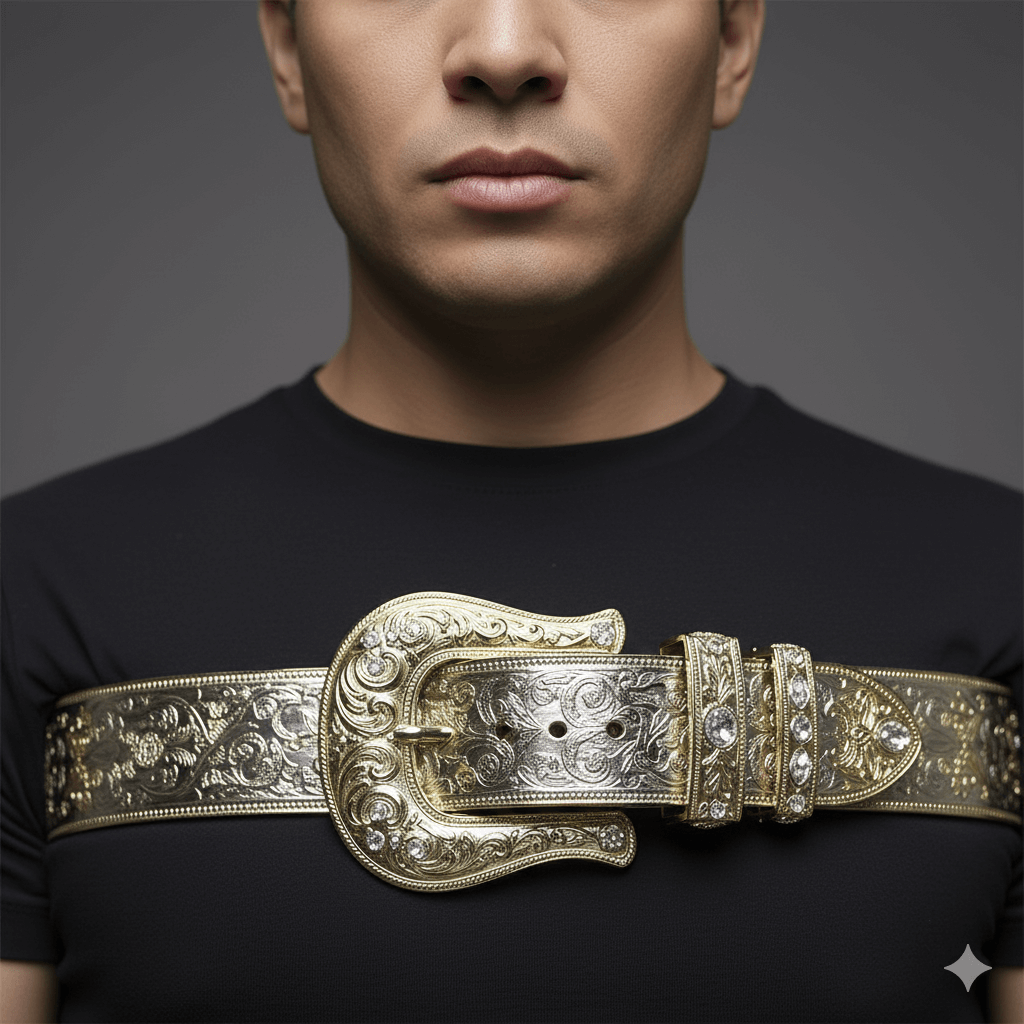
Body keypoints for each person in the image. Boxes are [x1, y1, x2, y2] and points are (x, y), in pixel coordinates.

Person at [2, 1, 1020, 1021]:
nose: (502, 51)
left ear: (732, 42)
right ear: (287, 48)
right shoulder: (33, 598)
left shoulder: (1001, 591)